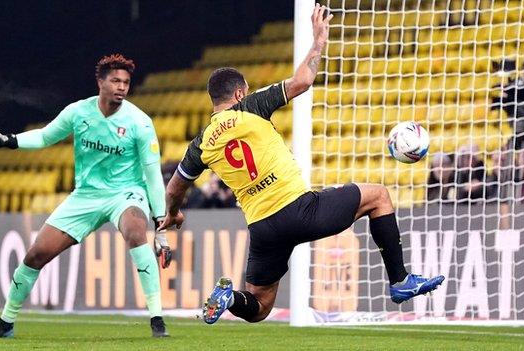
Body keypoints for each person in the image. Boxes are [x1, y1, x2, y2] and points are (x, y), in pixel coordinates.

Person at [158, 4, 444, 325]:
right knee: (378, 197)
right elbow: (303, 80)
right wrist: (319, 39)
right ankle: (400, 280)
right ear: (240, 92)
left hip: (264, 228)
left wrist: (172, 213)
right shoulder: (250, 107)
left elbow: (175, 187)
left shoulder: (202, 142)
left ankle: (230, 297)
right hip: (300, 209)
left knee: (259, 306)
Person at [0, 54, 171, 338]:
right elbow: (44, 137)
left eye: (125, 82)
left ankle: (157, 320)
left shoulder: (140, 122)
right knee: (36, 255)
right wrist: (9, 141)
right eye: (115, 80)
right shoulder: (78, 112)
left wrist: (161, 225)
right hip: (85, 196)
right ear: (100, 82)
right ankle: (5, 323)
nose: (121, 87)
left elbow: (151, 174)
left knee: (136, 231)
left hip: (125, 193)